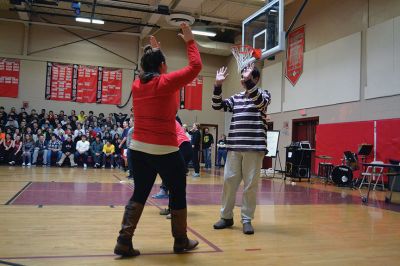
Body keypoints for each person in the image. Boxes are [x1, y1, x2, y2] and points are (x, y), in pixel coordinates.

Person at [114, 23, 202, 257]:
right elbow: (195, 66)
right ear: (162, 66)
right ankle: (180, 241)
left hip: (138, 150)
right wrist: (190, 41)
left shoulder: (136, 85)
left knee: (140, 192)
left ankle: (124, 240)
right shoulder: (165, 83)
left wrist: (154, 54)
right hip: (164, 149)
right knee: (178, 190)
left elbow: (156, 77)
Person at [211, 64, 271, 235]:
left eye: (248, 76)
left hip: (254, 147)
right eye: (243, 76)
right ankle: (226, 217)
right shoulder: (236, 98)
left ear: (256, 79)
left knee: (250, 186)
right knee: (229, 182)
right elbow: (217, 106)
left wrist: (249, 82)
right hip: (235, 147)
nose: (244, 79)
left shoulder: (264, 95)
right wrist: (217, 85)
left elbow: (260, 103)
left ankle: (246, 219)